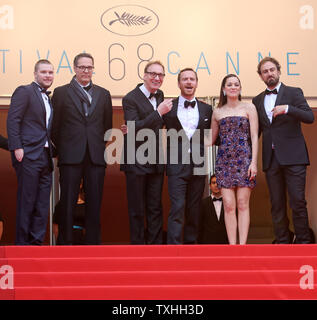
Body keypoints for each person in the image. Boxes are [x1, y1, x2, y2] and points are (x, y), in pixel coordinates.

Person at [51, 53, 113, 245]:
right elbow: (54, 128)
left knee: (94, 204)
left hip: (95, 156)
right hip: (70, 156)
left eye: (89, 67)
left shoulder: (103, 94)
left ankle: (93, 245)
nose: (86, 71)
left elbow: (107, 127)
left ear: (93, 69)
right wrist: (66, 148)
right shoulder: (61, 92)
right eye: (82, 67)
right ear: (75, 68)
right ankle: (66, 244)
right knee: (67, 203)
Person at [252, 56, 314, 244]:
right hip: (271, 160)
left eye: (272, 70)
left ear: (278, 71)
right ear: (261, 76)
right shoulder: (257, 100)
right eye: (265, 71)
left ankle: (303, 242)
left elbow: (309, 117)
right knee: (276, 204)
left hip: (294, 158)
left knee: (297, 202)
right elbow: (256, 133)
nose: (269, 73)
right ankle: (282, 242)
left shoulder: (294, 93)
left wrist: (288, 109)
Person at [120, 61, 172, 244]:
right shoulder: (130, 98)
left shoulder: (161, 96)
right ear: (144, 75)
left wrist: (140, 126)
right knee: (137, 209)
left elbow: (139, 127)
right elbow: (135, 130)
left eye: (161, 75)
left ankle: (155, 249)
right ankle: (138, 249)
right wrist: (158, 113)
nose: (157, 78)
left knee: (155, 207)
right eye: (153, 74)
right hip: (135, 160)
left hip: (156, 159)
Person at [7, 59, 54, 245]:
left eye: (50, 72)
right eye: (44, 72)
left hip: (45, 156)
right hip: (28, 155)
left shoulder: (47, 97)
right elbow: (13, 120)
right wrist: (17, 147)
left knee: (42, 204)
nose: (48, 75)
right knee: (27, 202)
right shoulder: (24, 91)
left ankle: (36, 245)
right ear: (35, 74)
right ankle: (22, 246)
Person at [164, 68, 212, 244]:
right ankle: (173, 249)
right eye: (185, 79)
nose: (189, 82)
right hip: (176, 164)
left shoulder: (208, 109)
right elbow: (152, 126)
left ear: (197, 83)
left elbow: (216, 135)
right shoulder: (168, 106)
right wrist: (131, 128)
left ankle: (191, 247)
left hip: (199, 165)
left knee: (194, 208)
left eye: (192, 79)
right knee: (177, 207)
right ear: (179, 83)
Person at [211, 74, 258, 245]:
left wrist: (254, 162)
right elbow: (210, 140)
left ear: (240, 88)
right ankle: (232, 246)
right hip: (224, 161)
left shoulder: (249, 108)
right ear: (223, 89)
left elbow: (254, 136)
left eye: (236, 84)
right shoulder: (218, 112)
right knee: (229, 205)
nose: (233, 87)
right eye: (229, 84)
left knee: (242, 203)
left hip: (245, 160)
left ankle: (242, 246)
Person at [198, 174, 228, 244]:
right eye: (213, 183)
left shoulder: (229, 203)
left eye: (218, 183)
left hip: (225, 244)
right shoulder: (203, 203)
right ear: (210, 186)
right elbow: (199, 225)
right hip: (207, 244)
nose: (216, 185)